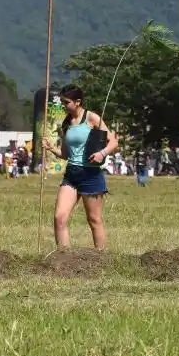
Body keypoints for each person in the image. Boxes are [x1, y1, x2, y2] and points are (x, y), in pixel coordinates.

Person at [41, 85, 118, 250]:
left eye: (66, 102)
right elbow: (65, 154)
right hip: (71, 175)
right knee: (59, 218)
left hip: (91, 174)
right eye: (62, 101)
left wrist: (102, 154)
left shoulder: (92, 118)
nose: (63, 105)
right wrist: (50, 148)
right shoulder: (67, 123)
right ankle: (64, 258)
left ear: (77, 102)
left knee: (94, 220)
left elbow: (113, 142)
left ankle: (100, 258)